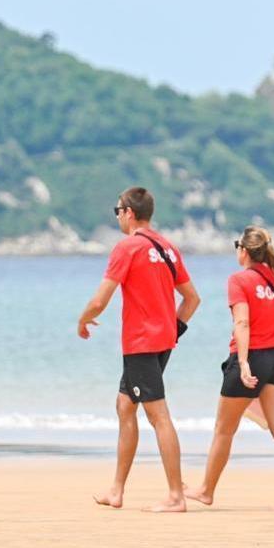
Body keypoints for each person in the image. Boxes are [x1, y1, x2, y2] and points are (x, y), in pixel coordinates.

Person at [77, 186, 200, 512]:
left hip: (141, 344)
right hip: (162, 341)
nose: (117, 215)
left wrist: (83, 320)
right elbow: (192, 299)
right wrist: (173, 331)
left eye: (118, 210)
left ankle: (176, 495)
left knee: (158, 415)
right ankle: (116, 491)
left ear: (129, 212)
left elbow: (100, 300)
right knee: (124, 405)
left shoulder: (127, 247)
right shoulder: (168, 248)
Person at [185, 225, 274, 510]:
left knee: (224, 430)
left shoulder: (239, 280)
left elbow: (242, 322)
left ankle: (205, 490)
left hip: (252, 356)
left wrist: (243, 363)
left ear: (243, 250)